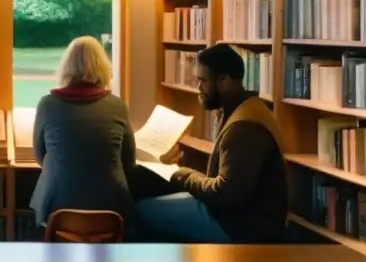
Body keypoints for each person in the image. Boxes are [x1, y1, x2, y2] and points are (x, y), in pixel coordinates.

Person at [136, 43, 288, 243]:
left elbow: (227, 195)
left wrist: (182, 175)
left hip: (243, 226)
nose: (198, 88)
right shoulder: (246, 108)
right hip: (238, 216)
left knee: (141, 211)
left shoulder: (244, 128)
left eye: (202, 81)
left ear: (223, 80)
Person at [29, 36, 139, 237]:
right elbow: (129, 162)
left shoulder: (48, 105)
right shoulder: (117, 106)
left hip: (57, 208)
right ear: (103, 67)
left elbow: (39, 157)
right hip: (112, 210)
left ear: (66, 67)